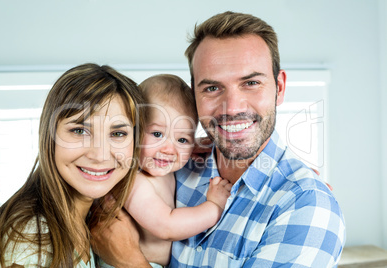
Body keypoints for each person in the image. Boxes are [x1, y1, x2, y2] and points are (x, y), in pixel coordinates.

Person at [91, 11, 346, 267]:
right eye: (212, 88)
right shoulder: (173, 163)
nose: (232, 108)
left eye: (251, 83)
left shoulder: (305, 205)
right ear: (195, 98)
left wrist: (130, 260)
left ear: (279, 88)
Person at [0, 63, 145, 267]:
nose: (100, 155)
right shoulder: (29, 243)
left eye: (118, 134)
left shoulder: (94, 221)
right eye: (79, 131)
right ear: (49, 137)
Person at [98, 74, 232, 268]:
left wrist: (190, 146)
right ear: (133, 130)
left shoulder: (163, 165)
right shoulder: (134, 181)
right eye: (157, 134)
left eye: (182, 139)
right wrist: (214, 207)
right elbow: (166, 225)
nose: (168, 149)